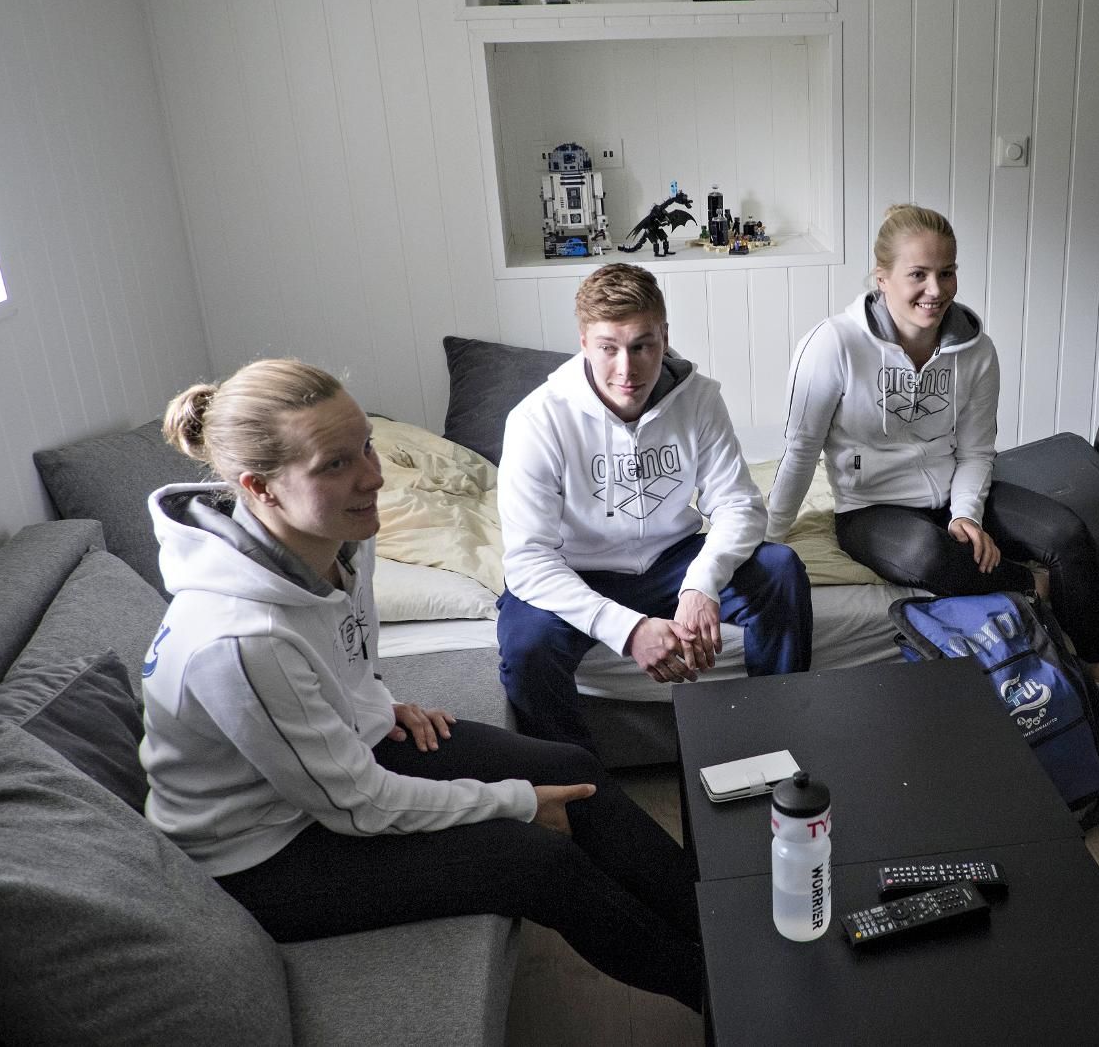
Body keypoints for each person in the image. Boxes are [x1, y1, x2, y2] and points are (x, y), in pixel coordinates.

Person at [140, 359, 702, 1010]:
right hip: (261, 853)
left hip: (326, 771)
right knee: (534, 859)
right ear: (259, 488)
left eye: (366, 446)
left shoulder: (342, 541)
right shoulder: (239, 640)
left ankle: (726, 924)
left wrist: (375, 706)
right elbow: (359, 805)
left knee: (572, 771)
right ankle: (727, 995)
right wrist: (517, 801)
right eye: (335, 464)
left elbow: (340, 662)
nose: (373, 477)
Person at [765, 204, 1099, 744]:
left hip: (953, 489)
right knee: (929, 557)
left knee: (1068, 534)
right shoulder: (832, 345)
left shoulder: (975, 351)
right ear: (882, 278)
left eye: (946, 272)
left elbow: (976, 450)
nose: (935, 290)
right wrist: (768, 538)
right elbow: (800, 451)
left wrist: (966, 514)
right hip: (871, 507)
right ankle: (1041, 587)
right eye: (917, 274)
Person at [496, 262, 813, 753]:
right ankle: (580, 783)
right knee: (524, 647)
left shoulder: (699, 399)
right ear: (584, 343)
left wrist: (702, 583)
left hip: (673, 561)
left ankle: (774, 745)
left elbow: (740, 506)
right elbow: (527, 560)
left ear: (664, 337)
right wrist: (629, 630)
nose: (627, 370)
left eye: (642, 346)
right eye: (609, 348)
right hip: (579, 571)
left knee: (781, 569)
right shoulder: (537, 420)